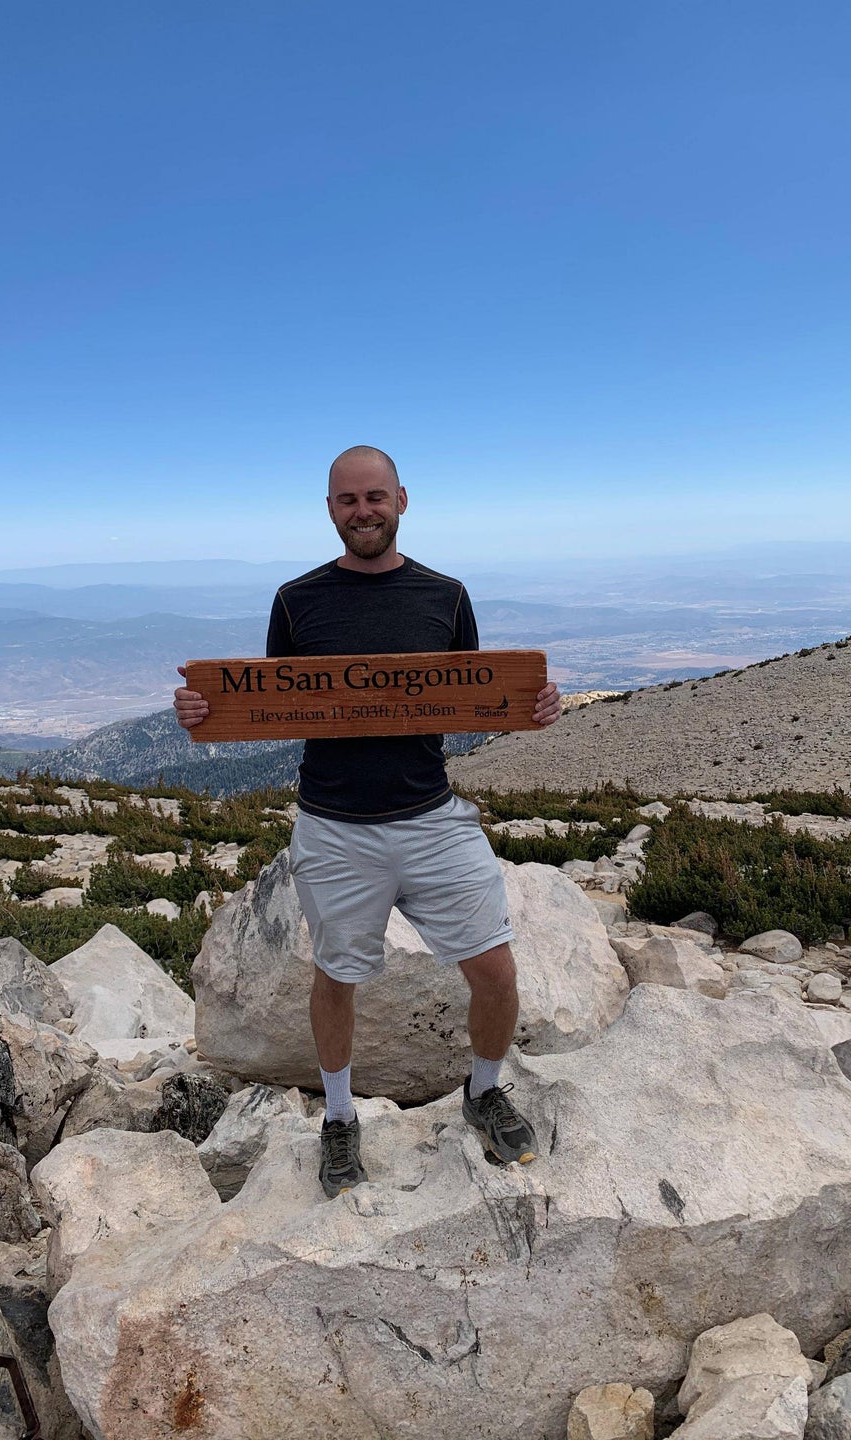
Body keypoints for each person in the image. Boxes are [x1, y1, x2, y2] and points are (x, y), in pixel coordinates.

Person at [174, 446, 561, 1198]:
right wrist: (205, 711)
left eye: (375, 497)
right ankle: (340, 1117)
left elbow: (474, 693)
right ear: (330, 510)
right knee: (336, 976)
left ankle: (483, 1091)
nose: (363, 512)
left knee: (495, 968)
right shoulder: (297, 600)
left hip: (431, 814)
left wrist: (533, 709)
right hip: (334, 823)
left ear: (403, 501)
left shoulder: (446, 595)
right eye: (348, 500)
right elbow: (277, 700)